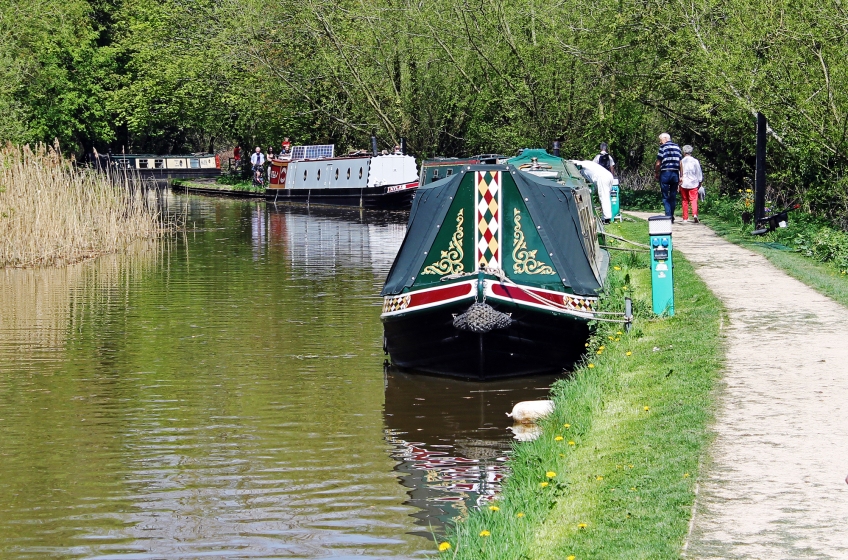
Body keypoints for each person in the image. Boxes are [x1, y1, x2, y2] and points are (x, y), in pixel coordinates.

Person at [654, 133, 683, 222]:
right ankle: (672, 215)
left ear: (665, 138)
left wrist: (656, 172)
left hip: (665, 173)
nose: (660, 142)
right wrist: (681, 175)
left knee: (665, 196)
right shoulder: (677, 147)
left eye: (660, 140)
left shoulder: (663, 148)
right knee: (673, 195)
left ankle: (668, 216)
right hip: (675, 173)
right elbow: (680, 163)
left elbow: (659, 162)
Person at [680, 145, 703, 223]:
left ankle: (685, 218)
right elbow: (698, 172)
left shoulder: (682, 161)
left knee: (684, 200)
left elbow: (679, 172)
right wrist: (700, 181)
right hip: (693, 183)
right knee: (693, 200)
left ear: (684, 152)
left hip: (683, 183)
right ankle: (695, 214)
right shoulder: (695, 161)